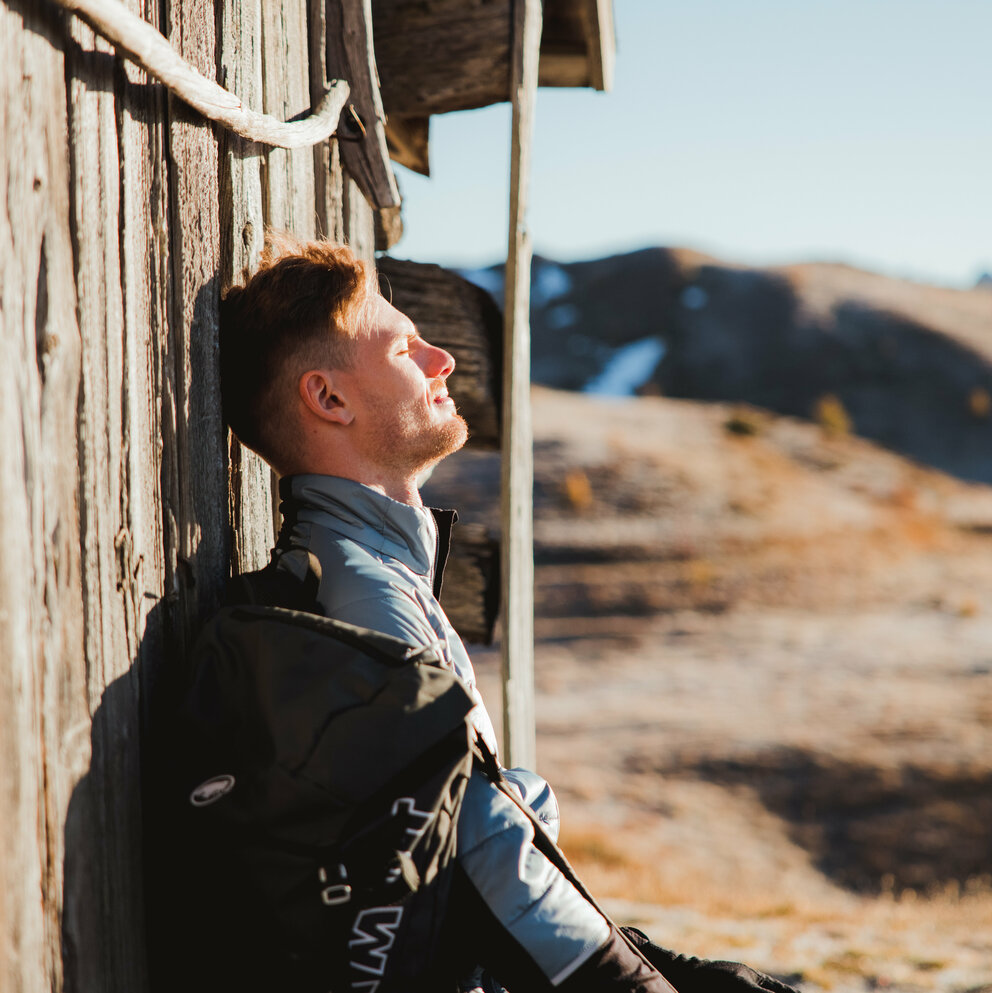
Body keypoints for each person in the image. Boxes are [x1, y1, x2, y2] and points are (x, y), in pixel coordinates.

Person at [218, 235, 799, 993]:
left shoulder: (369, 574)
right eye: (406, 350)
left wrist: (672, 966)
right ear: (329, 400)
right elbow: (481, 852)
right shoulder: (365, 603)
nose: (443, 360)